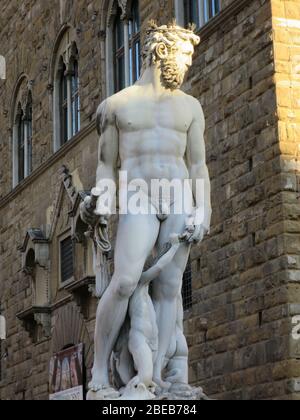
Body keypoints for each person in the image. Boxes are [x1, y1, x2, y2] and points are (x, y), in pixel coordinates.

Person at [81, 20, 212, 398]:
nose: (187, 63)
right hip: (139, 196)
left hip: (179, 197)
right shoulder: (116, 105)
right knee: (124, 281)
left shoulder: (191, 107)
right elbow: (106, 165)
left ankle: (151, 376)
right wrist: (102, 204)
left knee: (170, 289)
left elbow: (198, 165)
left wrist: (203, 211)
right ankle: (100, 373)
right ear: (160, 51)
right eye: (184, 54)